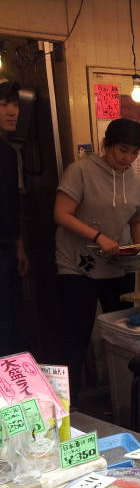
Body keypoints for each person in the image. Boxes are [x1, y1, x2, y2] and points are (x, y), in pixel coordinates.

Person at [54, 118, 140, 391]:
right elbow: (61, 214)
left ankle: (118, 393)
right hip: (76, 264)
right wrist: (98, 237)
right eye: (122, 150)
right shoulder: (80, 171)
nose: (128, 158)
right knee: (76, 334)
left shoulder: (132, 179)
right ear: (106, 145)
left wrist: (138, 251)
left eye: (134, 152)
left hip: (118, 266)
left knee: (123, 333)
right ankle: (68, 403)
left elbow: (138, 220)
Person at [0, 81, 28, 355]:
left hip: (8, 249)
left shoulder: (9, 153)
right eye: (3, 104)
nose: (12, 112)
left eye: (16, 105)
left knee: (10, 319)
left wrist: (19, 245)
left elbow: (11, 202)